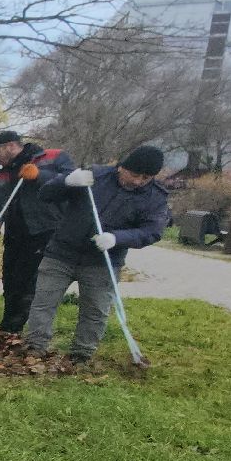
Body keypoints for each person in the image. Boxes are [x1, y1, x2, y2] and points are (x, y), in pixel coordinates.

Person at [25, 144, 171, 363]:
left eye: (146, 178)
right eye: (135, 174)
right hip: (61, 252)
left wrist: (117, 238)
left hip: (103, 262)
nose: (138, 181)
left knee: (95, 310)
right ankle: (35, 347)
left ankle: (81, 354)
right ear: (122, 167)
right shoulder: (95, 176)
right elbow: (45, 195)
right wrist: (66, 182)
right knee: (43, 302)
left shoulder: (155, 198)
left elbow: (152, 231)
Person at [0, 129, 74, 333]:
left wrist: (39, 176)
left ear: (11, 146)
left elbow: (72, 183)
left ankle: (28, 330)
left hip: (47, 231)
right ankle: (9, 326)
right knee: (11, 280)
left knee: (32, 282)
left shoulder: (53, 158)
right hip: (16, 235)